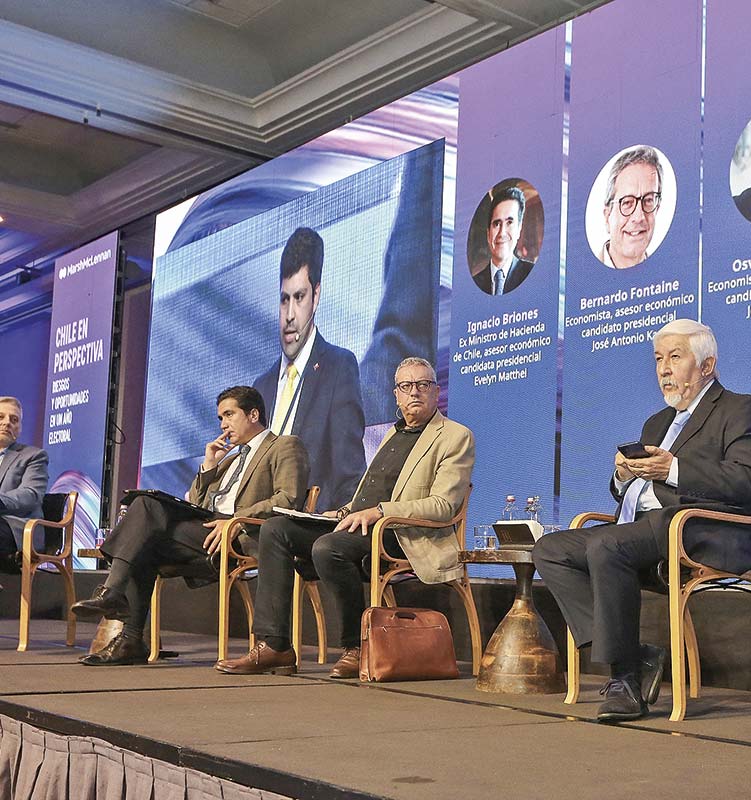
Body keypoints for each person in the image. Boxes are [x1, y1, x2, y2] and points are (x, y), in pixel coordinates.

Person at [533, 319, 751, 722]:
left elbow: (748, 481)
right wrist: (623, 476)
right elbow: (634, 490)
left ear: (707, 365)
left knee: (607, 545)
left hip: (703, 530)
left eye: (675, 357)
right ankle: (637, 655)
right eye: (659, 359)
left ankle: (624, 679)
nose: (663, 369)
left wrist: (672, 470)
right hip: (642, 532)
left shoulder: (742, 408)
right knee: (550, 549)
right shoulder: (656, 422)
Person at [216, 357, 475, 678]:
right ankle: (276, 645)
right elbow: (370, 494)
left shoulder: (455, 436)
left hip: (403, 533)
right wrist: (341, 512)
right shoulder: (393, 435)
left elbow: (443, 505)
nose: (415, 393)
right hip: (362, 525)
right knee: (277, 528)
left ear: (436, 392)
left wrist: (380, 512)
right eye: (406, 386)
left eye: (423, 385)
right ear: (396, 394)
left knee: (328, 548)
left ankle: (356, 645)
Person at [71, 386, 309, 665]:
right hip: (207, 531)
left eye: (229, 415)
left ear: (253, 414)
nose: (223, 425)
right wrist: (209, 465)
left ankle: (112, 595)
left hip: (240, 534)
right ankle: (130, 640)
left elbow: (288, 498)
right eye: (220, 418)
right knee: (144, 534)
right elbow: (197, 503)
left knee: (147, 507)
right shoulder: (230, 458)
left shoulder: (284, 445)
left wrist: (234, 520)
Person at [252, 227, 366, 512]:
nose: (289, 315)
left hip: (302, 525)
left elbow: (348, 473)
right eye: (284, 299)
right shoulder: (261, 387)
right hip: (251, 519)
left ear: (316, 297)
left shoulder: (338, 367)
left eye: (299, 297)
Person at [0, 397, 49, 575]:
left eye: (14, 420)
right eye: (1, 417)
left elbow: (31, 494)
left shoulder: (33, 456)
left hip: (16, 529)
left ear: (19, 428)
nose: (7, 423)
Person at [597, 147, 664, 269]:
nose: (639, 217)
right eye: (627, 202)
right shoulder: (579, 278)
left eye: (648, 200)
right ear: (607, 217)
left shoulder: (669, 278)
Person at [472, 186, 535, 295]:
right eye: (497, 224)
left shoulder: (533, 275)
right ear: (488, 234)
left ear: (519, 229)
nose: (502, 233)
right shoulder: (474, 284)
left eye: (509, 222)